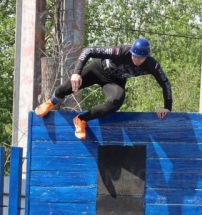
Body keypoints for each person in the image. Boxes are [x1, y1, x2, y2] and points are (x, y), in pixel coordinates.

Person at [34, 37, 173, 140]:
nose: (137, 60)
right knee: (66, 88)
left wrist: (167, 107)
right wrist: (76, 72)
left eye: (140, 58)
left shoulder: (152, 65)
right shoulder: (120, 52)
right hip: (97, 70)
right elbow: (88, 51)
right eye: (135, 56)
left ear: (146, 57)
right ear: (131, 52)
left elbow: (165, 83)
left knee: (116, 101)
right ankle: (50, 102)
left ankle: (81, 120)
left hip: (114, 81)